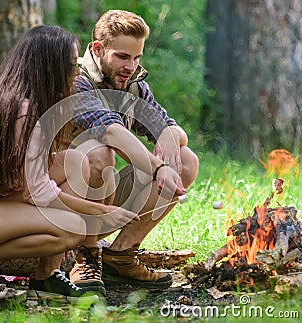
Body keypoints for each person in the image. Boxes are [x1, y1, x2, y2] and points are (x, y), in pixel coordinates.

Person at [0, 25, 138, 299]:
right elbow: (39, 193)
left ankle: (47, 276)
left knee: (76, 161)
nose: (76, 72)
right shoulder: (23, 113)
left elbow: (34, 185)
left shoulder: (28, 104)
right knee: (72, 229)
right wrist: (100, 212)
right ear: (50, 68)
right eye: (71, 65)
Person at [67, 10, 199, 290]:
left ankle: (121, 257)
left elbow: (173, 128)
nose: (131, 65)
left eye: (137, 57)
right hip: (59, 205)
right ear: (98, 49)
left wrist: (167, 136)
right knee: (100, 154)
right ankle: (85, 257)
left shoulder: (133, 85)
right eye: (123, 57)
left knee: (186, 160)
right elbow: (112, 132)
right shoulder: (75, 82)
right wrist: (158, 167)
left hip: (103, 203)